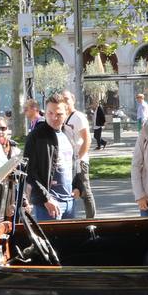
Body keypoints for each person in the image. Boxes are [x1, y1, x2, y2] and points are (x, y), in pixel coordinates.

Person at [23, 97, 78, 221]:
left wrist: (79, 185)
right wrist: (46, 198)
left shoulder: (68, 132)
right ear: (45, 112)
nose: (54, 117)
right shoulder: (36, 136)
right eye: (50, 113)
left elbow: (76, 161)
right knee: (50, 240)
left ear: (66, 113)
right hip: (49, 204)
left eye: (59, 114)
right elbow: (30, 171)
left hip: (70, 200)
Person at [60, 90, 95, 218]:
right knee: (71, 190)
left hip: (80, 160)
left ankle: (91, 220)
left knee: (85, 191)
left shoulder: (78, 117)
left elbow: (87, 139)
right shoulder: (63, 117)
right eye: (62, 99)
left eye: (67, 99)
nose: (65, 102)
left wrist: (79, 158)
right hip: (67, 161)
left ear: (73, 100)